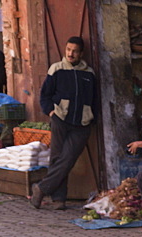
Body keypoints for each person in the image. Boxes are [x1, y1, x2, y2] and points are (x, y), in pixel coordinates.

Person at [31, 36, 99, 210]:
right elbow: (45, 95)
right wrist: (51, 112)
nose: (71, 53)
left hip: (82, 124)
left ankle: (41, 188)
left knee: (68, 159)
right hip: (60, 119)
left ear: (81, 53)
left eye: (75, 51)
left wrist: (93, 118)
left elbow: (95, 99)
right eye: (68, 49)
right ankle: (59, 199)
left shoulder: (89, 73)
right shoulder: (57, 69)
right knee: (56, 158)